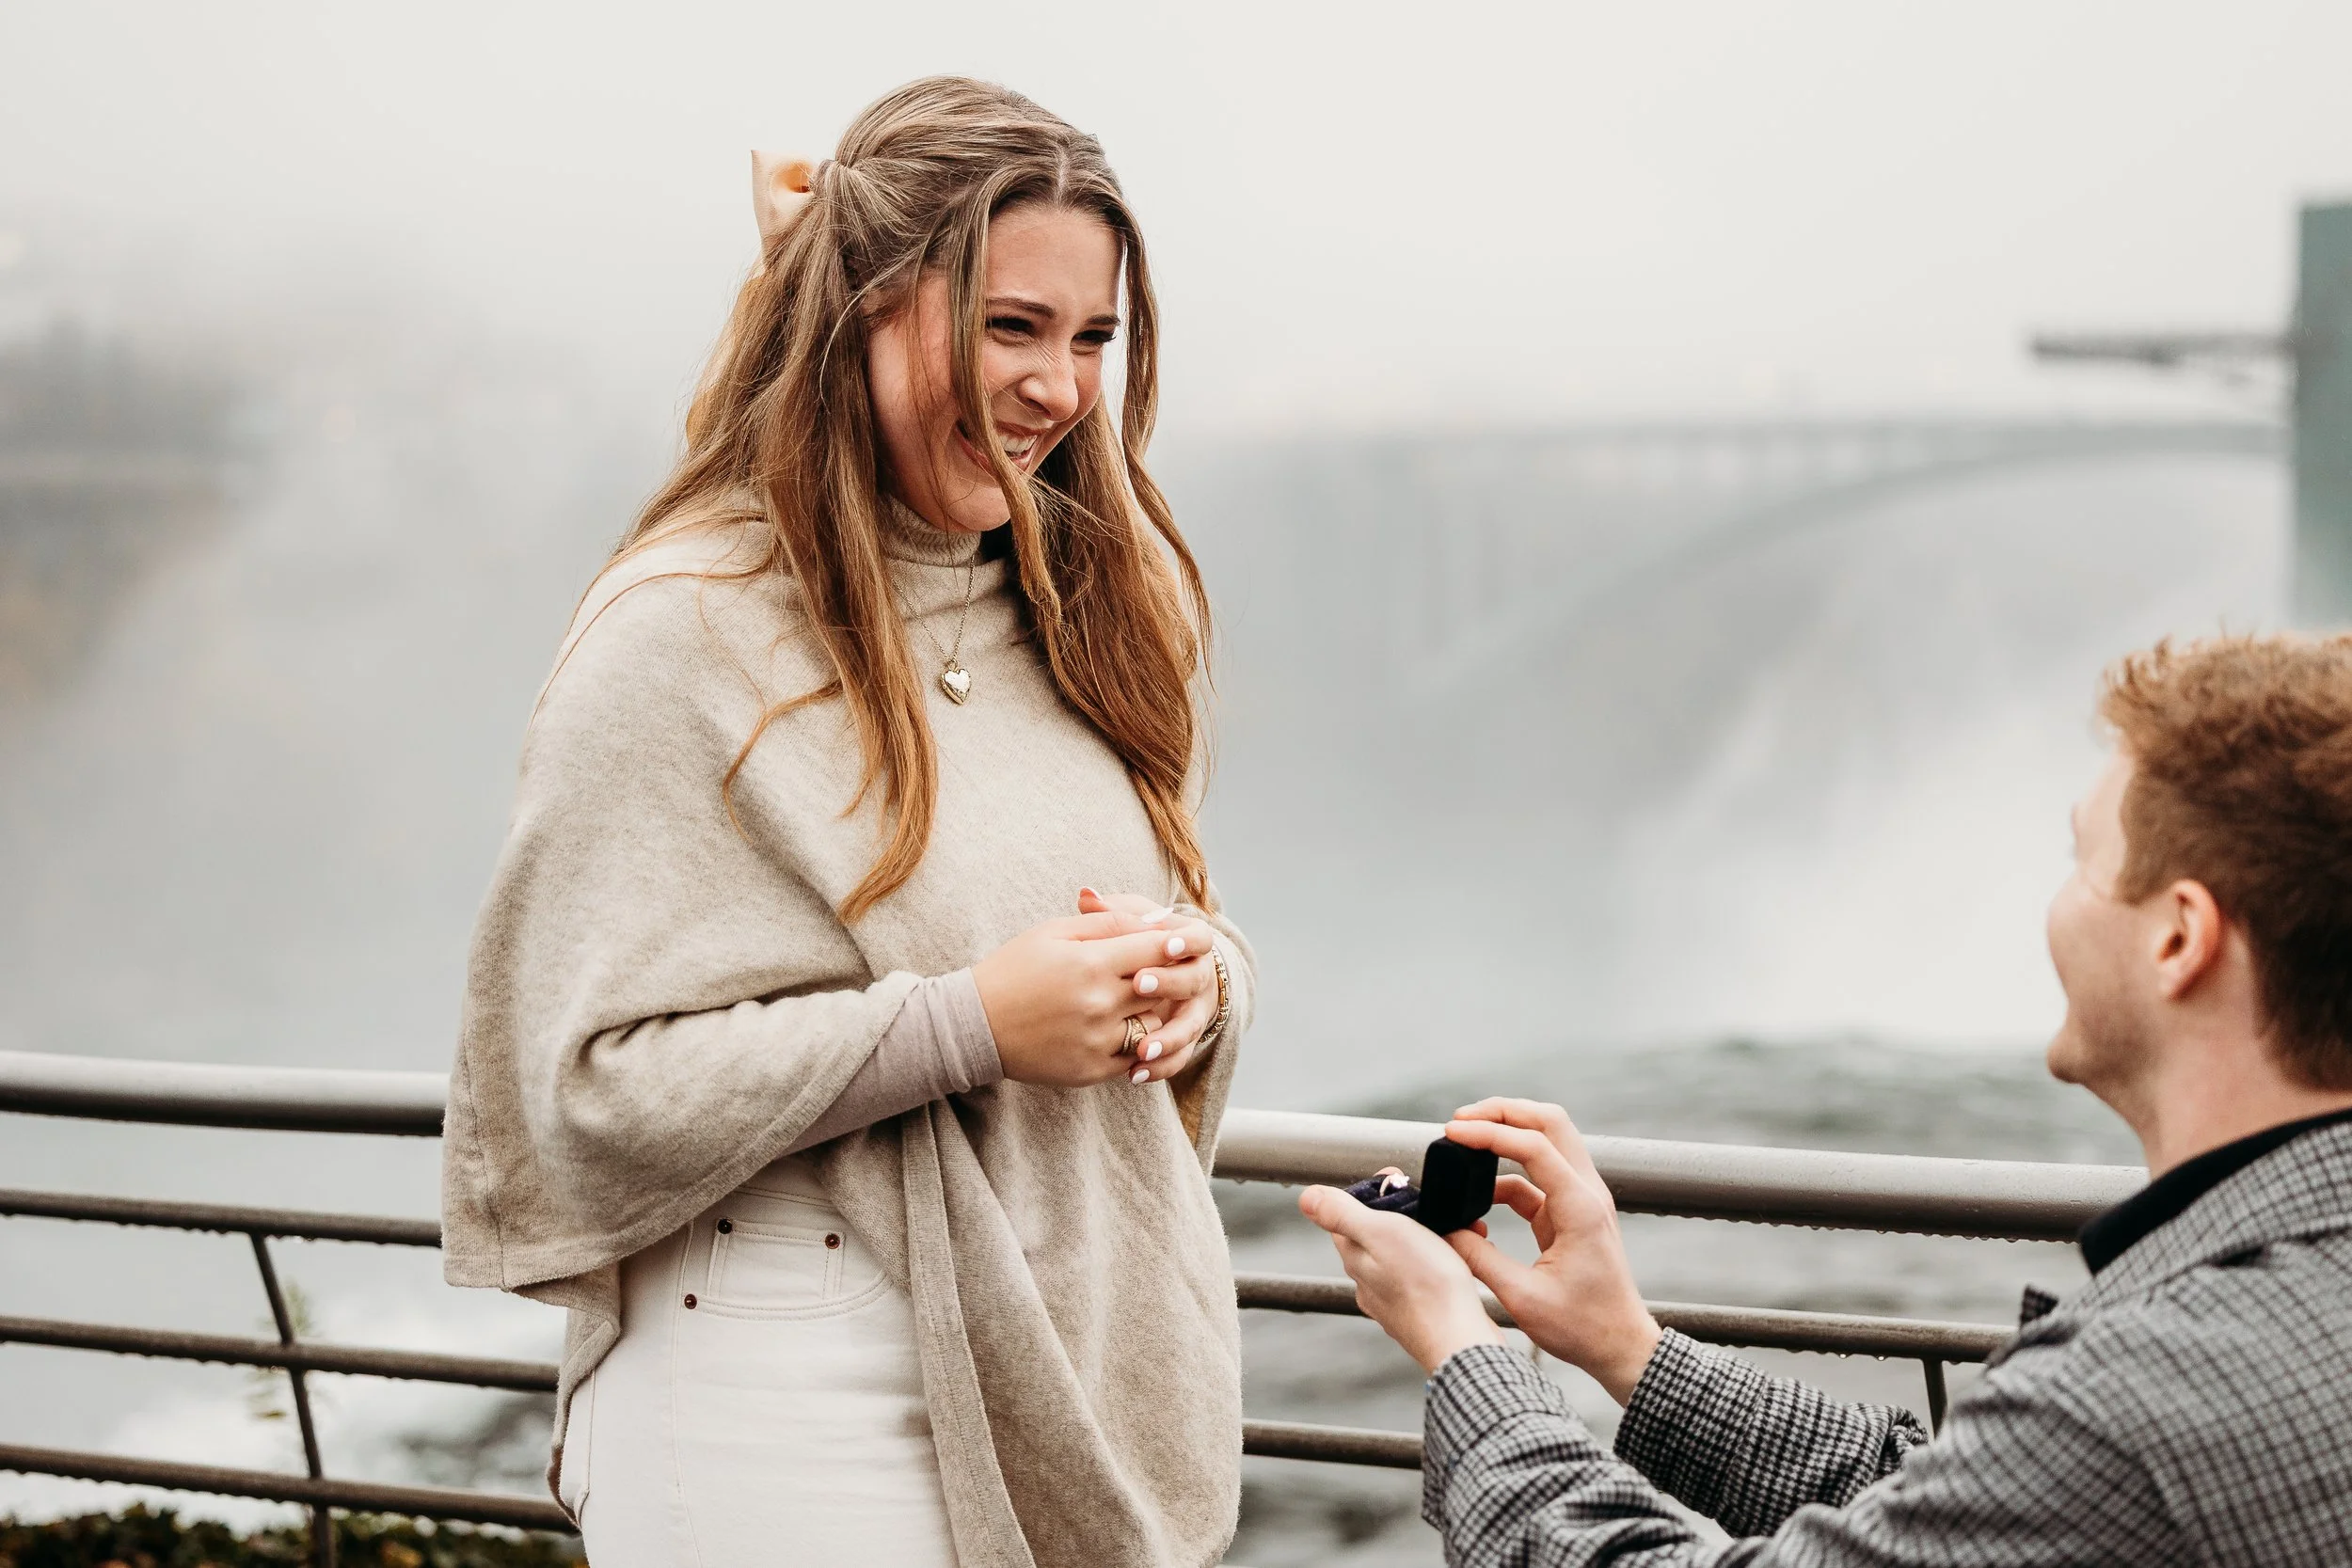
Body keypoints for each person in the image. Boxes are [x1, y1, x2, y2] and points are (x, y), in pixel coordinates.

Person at [437, 78, 1255, 1568]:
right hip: (776, 1368)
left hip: (1049, 1364)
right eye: (1010, 325)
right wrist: (973, 1024)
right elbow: (581, 1082)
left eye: (1092, 338)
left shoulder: (1084, 615)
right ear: (863, 305)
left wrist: (1198, 978)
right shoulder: (681, 632)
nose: (1060, 388)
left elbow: (1096, 923)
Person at [1303, 632, 2352, 1565]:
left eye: (2080, 862)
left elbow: (2053, 1465)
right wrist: (1626, 1344)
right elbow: (1955, 1506)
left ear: (2178, 936)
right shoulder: (2272, 1306)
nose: (2053, 905)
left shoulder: (2153, 1392)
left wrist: (1461, 1350)